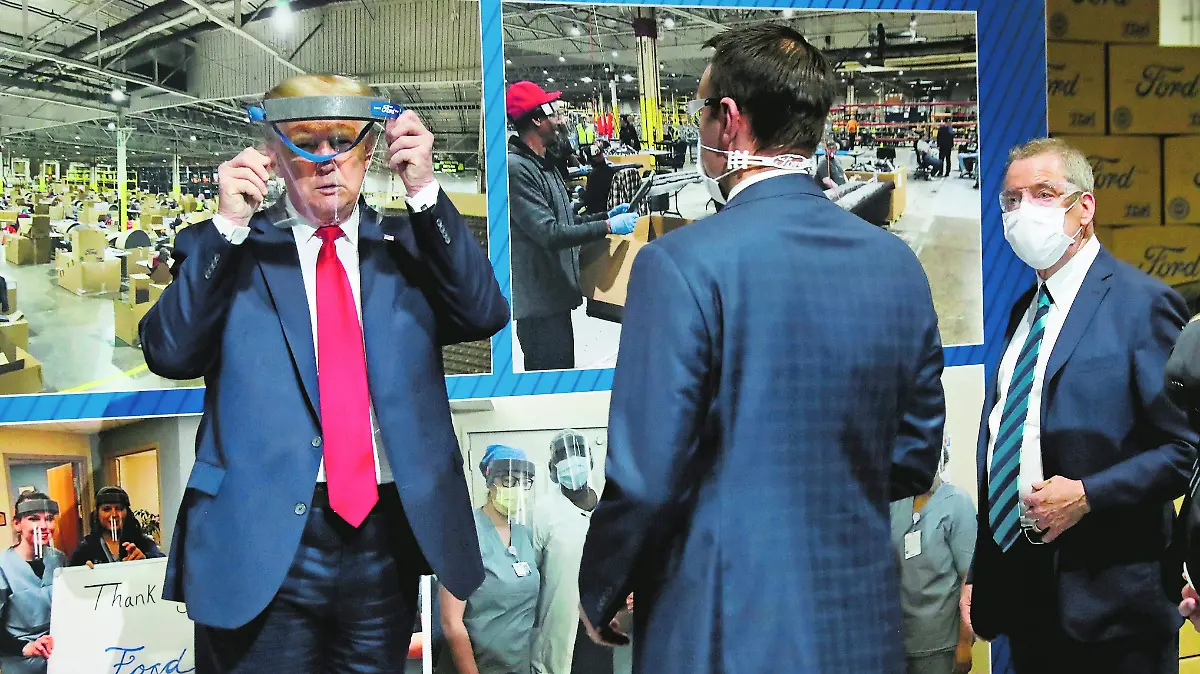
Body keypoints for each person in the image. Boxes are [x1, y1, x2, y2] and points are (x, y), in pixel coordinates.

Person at [577, 23, 945, 674]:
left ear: (728, 121)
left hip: (722, 627)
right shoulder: (897, 266)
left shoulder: (679, 266)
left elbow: (645, 476)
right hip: (858, 624)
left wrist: (602, 586)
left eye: (700, 112)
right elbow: (915, 457)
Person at [139, 73, 509, 674]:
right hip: (259, 537)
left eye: (343, 140)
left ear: (372, 147)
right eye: (307, 143)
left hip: (383, 539)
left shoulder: (409, 246)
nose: (327, 159)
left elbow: (483, 312)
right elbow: (170, 352)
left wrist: (424, 190)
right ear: (275, 151)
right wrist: (228, 226)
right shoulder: (231, 249)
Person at [961, 138, 1196, 674]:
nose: (1023, 211)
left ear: (1084, 207)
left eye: (1043, 194)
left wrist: (1089, 494)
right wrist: (981, 569)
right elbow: (1007, 445)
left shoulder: (1143, 304)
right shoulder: (1024, 311)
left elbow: (1184, 450)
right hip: (1026, 599)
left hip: (1115, 612)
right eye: (1012, 199)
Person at [506, 81, 637, 372]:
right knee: (549, 381)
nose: (560, 120)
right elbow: (549, 233)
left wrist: (604, 216)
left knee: (563, 367)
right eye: (553, 113)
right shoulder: (517, 169)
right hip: (539, 307)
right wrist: (607, 225)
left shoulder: (544, 164)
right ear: (536, 119)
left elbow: (567, 221)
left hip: (556, 297)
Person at [437, 445, 540, 674]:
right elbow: (451, 622)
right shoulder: (465, 534)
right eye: (509, 480)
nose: (517, 489)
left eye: (524, 482)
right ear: (491, 481)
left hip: (518, 666)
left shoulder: (523, 534)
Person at [891, 437, 976, 674]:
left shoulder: (956, 503)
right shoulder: (896, 505)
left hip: (943, 646)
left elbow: (970, 580)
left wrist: (964, 644)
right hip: (900, 644)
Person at [530, 429, 599, 674]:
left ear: (590, 462)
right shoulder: (543, 513)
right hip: (560, 629)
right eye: (564, 462)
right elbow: (530, 577)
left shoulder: (610, 507)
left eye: (579, 460)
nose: (573, 467)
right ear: (553, 470)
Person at [0, 492, 63, 674]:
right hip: (21, 663)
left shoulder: (59, 560)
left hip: (58, 658)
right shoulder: (4, 567)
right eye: (34, 519)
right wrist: (25, 647)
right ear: (17, 524)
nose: (44, 526)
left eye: (49, 519)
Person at [68, 486, 165, 567]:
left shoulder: (143, 542)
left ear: (127, 512)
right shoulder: (86, 547)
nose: (114, 514)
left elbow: (163, 566)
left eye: (119, 508)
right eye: (107, 509)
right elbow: (70, 577)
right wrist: (83, 572)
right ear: (97, 514)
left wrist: (146, 560)